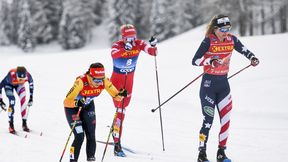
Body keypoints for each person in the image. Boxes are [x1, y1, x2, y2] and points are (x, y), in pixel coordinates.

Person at [192, 15, 259, 162]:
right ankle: (201, 154)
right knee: (208, 121)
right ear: (215, 29)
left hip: (223, 86)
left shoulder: (231, 39)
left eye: (228, 29)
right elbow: (195, 60)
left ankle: (221, 153)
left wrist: (252, 58)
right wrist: (210, 61)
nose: (225, 32)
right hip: (208, 86)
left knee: (226, 120)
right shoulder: (208, 40)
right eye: (223, 29)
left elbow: (244, 49)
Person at [63, 62, 128, 162]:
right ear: (90, 76)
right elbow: (66, 102)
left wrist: (121, 94)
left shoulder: (104, 81)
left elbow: (117, 97)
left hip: (88, 107)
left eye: (100, 80)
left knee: (91, 135)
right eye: (96, 80)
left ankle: (91, 159)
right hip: (73, 109)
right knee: (79, 136)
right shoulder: (80, 82)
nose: (98, 83)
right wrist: (77, 103)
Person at [110, 24, 158, 157]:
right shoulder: (117, 45)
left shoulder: (138, 43)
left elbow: (151, 51)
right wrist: (124, 49)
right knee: (120, 110)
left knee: (123, 111)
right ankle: (117, 143)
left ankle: (115, 131)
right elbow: (114, 54)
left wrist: (153, 46)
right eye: (128, 38)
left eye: (133, 37)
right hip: (116, 83)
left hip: (129, 83)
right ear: (123, 38)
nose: (131, 40)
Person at [0, 66, 34, 134]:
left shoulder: (28, 75)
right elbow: (0, 86)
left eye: (23, 79)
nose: (21, 80)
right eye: (20, 78)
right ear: (16, 75)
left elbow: (31, 84)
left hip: (19, 86)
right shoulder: (11, 75)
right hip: (9, 85)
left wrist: (31, 98)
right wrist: (1, 101)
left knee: (23, 100)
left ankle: (24, 123)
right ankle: (11, 125)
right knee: (12, 101)